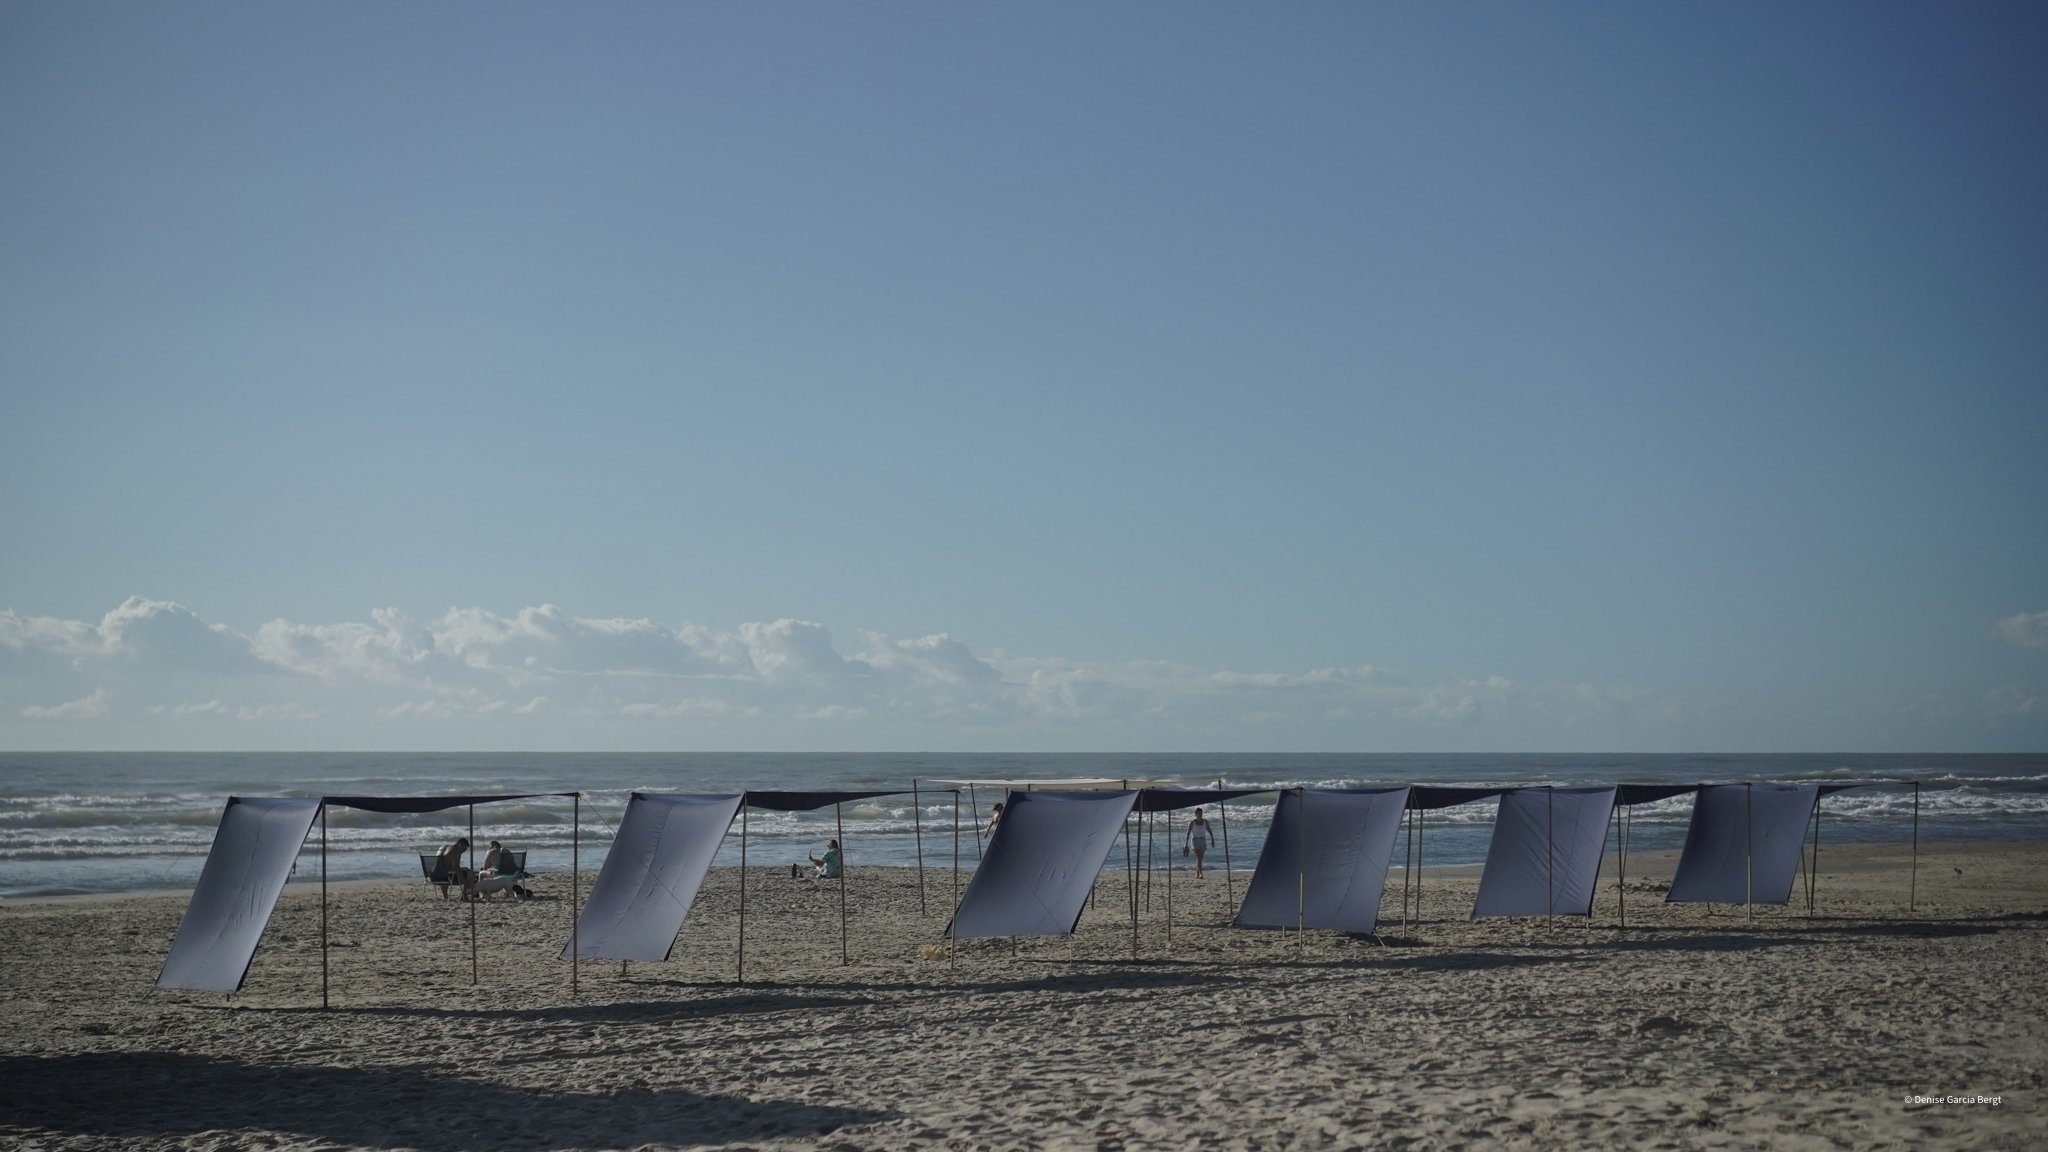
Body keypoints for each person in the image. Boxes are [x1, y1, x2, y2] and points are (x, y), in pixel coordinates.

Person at [1183, 808, 1214, 880]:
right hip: (1195, 840)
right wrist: (1186, 843)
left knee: (1200, 858)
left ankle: (1197, 873)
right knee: (1199, 857)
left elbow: (1209, 830)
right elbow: (1188, 833)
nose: (1200, 815)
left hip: (1203, 840)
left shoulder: (1205, 821)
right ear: (1195, 814)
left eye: (1201, 813)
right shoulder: (1192, 822)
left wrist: (1212, 839)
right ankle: (1201, 874)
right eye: (1198, 813)